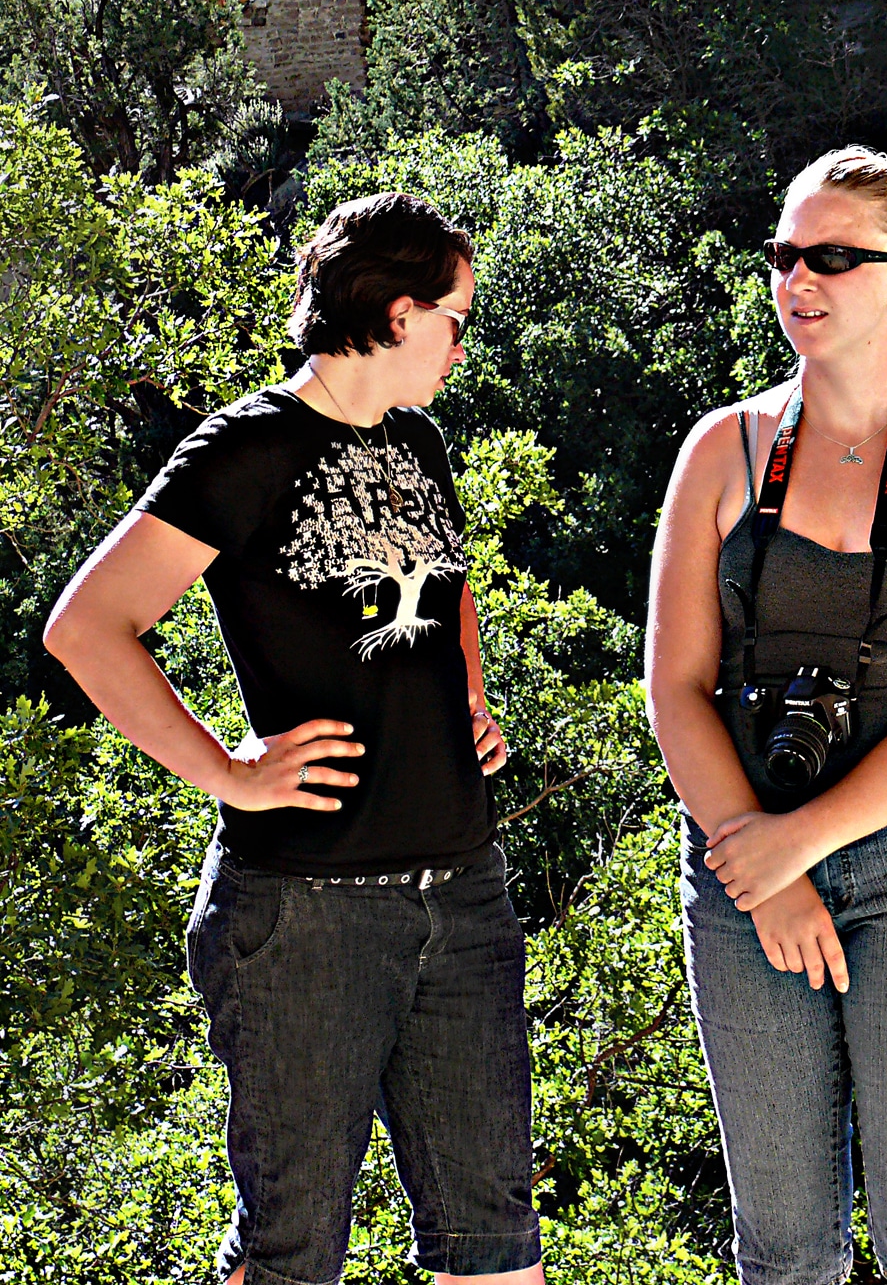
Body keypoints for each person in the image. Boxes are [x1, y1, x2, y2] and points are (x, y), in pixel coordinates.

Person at [41, 192, 540, 1285]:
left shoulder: (417, 437)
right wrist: (226, 768)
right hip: (304, 915)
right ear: (400, 315)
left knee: (494, 1250)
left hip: (463, 894)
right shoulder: (245, 449)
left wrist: (468, 691)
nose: (463, 344)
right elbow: (86, 628)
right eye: (457, 318)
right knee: (292, 1257)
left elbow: (444, 587)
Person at [644, 146, 887, 1285]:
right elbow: (673, 689)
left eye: (831, 257)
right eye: (782, 255)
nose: (796, 279)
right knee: (781, 1251)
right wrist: (759, 868)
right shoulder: (721, 450)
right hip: (738, 863)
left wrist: (796, 847)